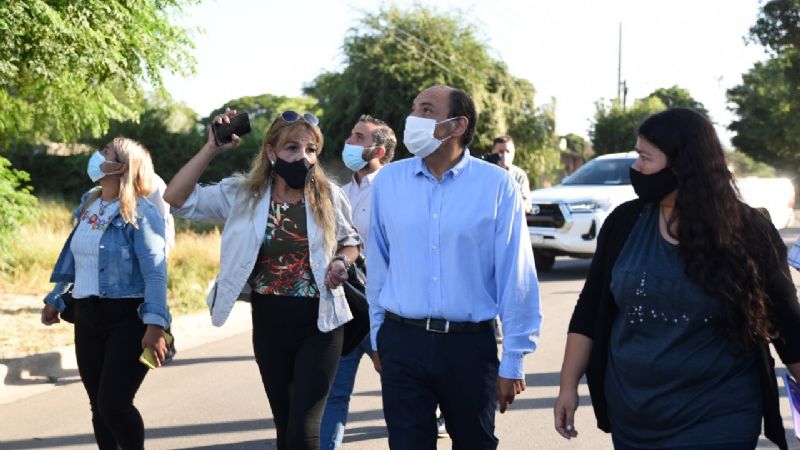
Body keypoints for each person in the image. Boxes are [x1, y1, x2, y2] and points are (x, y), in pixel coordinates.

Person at [553, 108, 800, 450]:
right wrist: (567, 386)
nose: (635, 167)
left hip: (717, 416)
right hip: (634, 418)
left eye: (645, 157)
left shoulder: (747, 232)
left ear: (683, 164)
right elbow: (589, 310)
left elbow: (787, 324)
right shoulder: (624, 223)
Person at [163, 108, 361, 450]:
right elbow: (176, 200)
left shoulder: (328, 194)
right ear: (271, 152)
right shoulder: (243, 194)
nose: (303, 157)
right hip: (270, 321)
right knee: (285, 428)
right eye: (292, 148)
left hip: (323, 322)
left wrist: (342, 261)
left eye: (311, 150)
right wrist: (211, 148)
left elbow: (350, 241)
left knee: (305, 430)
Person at [367, 85, 542, 449]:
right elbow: (379, 264)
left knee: (475, 443)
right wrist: (378, 333)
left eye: (426, 109)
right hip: (403, 341)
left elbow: (516, 274)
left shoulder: (496, 185)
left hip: (468, 346)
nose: (413, 117)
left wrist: (514, 358)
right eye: (413, 107)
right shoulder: (388, 182)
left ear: (457, 125)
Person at [40, 137, 171, 450]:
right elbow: (77, 257)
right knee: (98, 407)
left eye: (105, 152)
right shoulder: (90, 201)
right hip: (87, 315)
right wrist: (56, 298)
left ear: (121, 167)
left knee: (114, 404)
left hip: (128, 318)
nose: (97, 156)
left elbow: (155, 272)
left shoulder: (142, 213)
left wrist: (155, 325)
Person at [320, 114, 396, 450]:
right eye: (351, 135)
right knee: (335, 395)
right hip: (347, 306)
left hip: (388, 310)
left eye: (359, 137)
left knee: (399, 393)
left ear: (378, 150)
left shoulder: (396, 188)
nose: (350, 142)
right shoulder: (339, 193)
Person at [491, 135, 531, 213]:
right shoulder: (485, 174)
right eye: (500, 152)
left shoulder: (519, 175)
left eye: (508, 151)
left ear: (513, 153)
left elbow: (527, 206)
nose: (504, 155)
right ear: (493, 152)